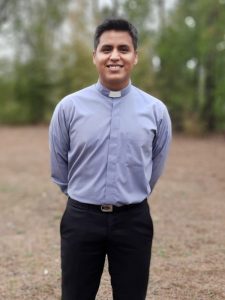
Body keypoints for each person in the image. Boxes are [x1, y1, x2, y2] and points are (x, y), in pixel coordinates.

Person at [49, 18, 172, 300]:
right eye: (106, 49)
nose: (114, 56)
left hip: (134, 221)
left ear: (135, 56)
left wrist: (131, 194)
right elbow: (59, 167)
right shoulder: (68, 108)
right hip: (81, 219)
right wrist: (83, 196)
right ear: (95, 56)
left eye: (123, 49)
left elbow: (155, 166)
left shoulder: (155, 111)